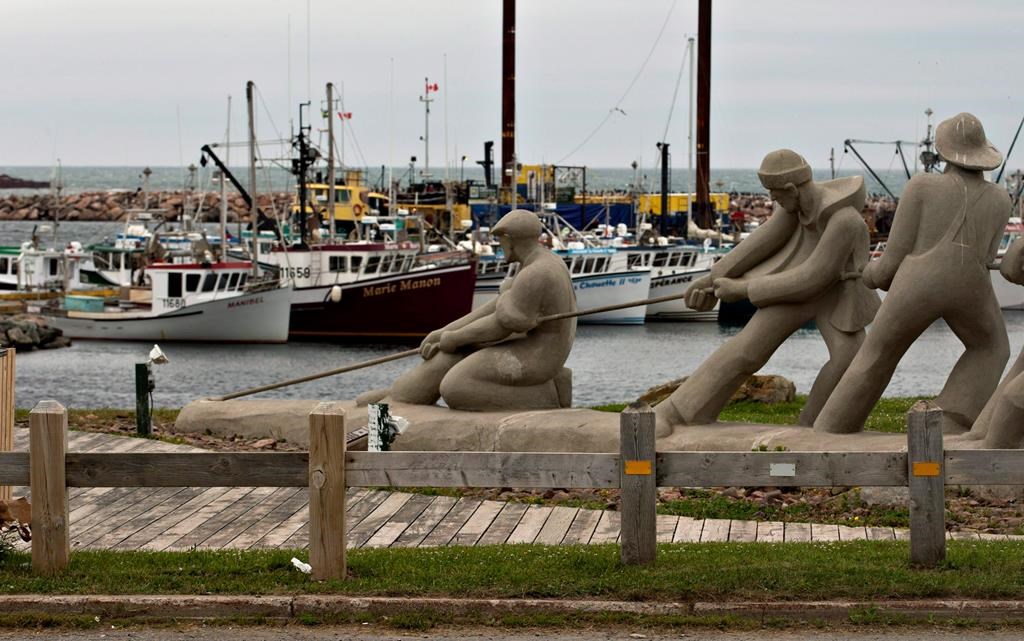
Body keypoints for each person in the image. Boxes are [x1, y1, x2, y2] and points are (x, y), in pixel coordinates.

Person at [656, 149, 880, 435]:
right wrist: (711, 279)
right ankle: (676, 412)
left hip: (833, 295)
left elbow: (814, 276)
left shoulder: (844, 221)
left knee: (851, 360)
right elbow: (761, 242)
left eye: (775, 195)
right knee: (747, 349)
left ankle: (816, 427)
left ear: (790, 188)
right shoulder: (793, 207)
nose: (774, 201)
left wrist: (743, 289)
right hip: (794, 291)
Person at [814, 113, 1011, 434]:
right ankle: (952, 420)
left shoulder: (922, 185)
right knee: (992, 347)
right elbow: (988, 256)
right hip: (972, 285)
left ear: (944, 151)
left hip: (918, 282)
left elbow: (893, 258)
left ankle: (835, 426)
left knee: (879, 352)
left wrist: (872, 276)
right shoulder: (1001, 198)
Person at [357, 209, 576, 411]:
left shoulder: (536, 273)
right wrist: (444, 332)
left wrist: (455, 337)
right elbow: (495, 309)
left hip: (539, 357)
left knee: (456, 387)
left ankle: (550, 394)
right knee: (449, 355)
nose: (499, 246)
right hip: (527, 342)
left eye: (500, 240)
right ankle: (403, 395)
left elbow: (500, 325)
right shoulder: (537, 262)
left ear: (510, 239)